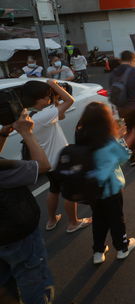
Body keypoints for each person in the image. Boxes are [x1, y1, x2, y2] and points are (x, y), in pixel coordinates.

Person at [22, 79, 92, 233]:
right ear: (38, 98)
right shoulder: (44, 116)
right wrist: (53, 84)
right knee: (69, 193)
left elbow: (60, 116)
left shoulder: (29, 115)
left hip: (47, 163)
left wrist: (53, 100)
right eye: (46, 96)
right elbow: (69, 100)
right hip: (60, 160)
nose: (48, 99)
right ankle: (73, 223)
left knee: (54, 190)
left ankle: (52, 220)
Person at [0, 112, 54, 304]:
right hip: (16, 233)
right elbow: (43, 166)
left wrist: (3, 135)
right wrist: (27, 133)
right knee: (34, 283)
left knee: (5, 286)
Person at [75, 102, 135, 264]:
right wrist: (127, 137)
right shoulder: (107, 141)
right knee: (116, 218)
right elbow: (123, 156)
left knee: (99, 219)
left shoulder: (81, 137)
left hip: (92, 189)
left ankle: (98, 251)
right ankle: (122, 247)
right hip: (110, 189)